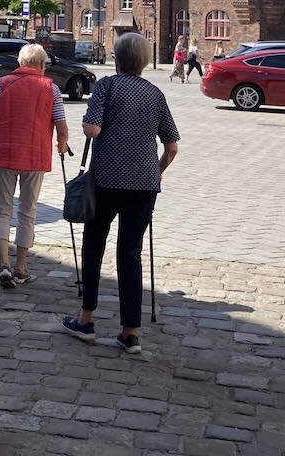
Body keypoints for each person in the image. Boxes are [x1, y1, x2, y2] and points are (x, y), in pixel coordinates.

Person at [62, 32, 179, 355]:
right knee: (130, 251)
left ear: (117, 58)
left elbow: (93, 129)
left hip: (107, 179)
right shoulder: (155, 93)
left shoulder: (106, 86)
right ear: (143, 60)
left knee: (94, 243)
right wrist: (156, 171)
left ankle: (86, 319)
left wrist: (88, 121)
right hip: (145, 184)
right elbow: (171, 147)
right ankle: (130, 332)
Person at [0, 43, 69, 289]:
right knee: (27, 211)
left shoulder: (3, 84)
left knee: (1, 210)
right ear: (41, 65)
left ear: (21, 64)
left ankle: (3, 263)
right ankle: (21, 267)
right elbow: (61, 124)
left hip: (3, 154)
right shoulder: (51, 88)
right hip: (34, 157)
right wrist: (62, 144)